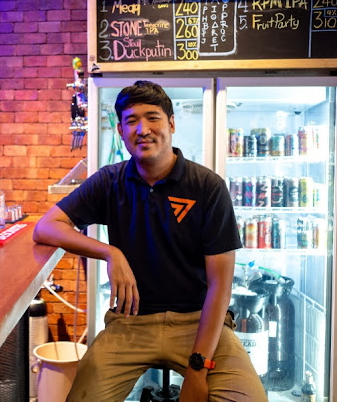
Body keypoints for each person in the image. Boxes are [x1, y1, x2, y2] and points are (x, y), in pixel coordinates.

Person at [33, 81, 266, 402]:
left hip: (198, 322)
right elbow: (46, 227)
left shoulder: (207, 186)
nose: (142, 129)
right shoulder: (110, 181)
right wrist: (110, 252)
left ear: (171, 123)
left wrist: (198, 370)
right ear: (120, 130)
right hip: (131, 324)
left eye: (153, 117)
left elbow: (220, 287)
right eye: (131, 120)